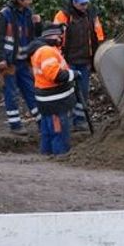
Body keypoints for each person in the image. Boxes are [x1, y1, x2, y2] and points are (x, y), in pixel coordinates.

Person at [54, 0, 106, 131]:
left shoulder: (91, 14)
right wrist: (59, 59)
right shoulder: (63, 15)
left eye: (86, 3)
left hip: (85, 59)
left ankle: (80, 119)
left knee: (83, 91)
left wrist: (97, 54)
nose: (85, 6)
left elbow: (98, 34)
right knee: (67, 91)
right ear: (74, 3)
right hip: (68, 60)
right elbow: (56, 37)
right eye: (82, 4)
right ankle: (66, 121)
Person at [0, 0, 41, 133]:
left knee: (31, 91)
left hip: (23, 61)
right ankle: (15, 125)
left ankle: (41, 122)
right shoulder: (5, 15)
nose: (31, 0)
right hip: (9, 62)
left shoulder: (28, 14)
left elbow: (34, 36)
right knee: (11, 94)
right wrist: (0, 58)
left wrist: (38, 24)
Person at [27, 23, 77, 156]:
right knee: (58, 131)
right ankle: (59, 157)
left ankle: (47, 155)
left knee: (48, 131)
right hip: (55, 101)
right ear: (52, 36)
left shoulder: (42, 50)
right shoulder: (47, 51)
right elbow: (55, 76)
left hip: (48, 99)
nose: (61, 39)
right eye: (60, 36)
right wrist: (73, 74)